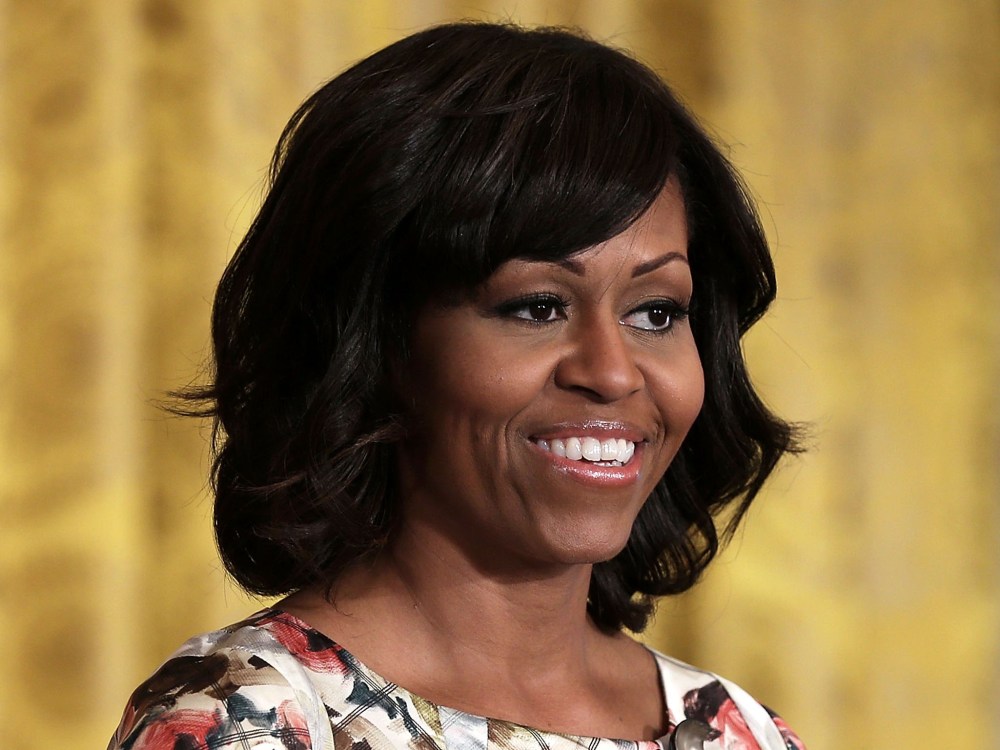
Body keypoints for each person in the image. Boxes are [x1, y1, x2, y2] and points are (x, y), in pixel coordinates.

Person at [109, 21, 806, 750]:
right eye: (537, 307)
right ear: (377, 342)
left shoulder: (741, 732)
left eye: (656, 312)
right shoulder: (244, 720)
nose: (611, 372)